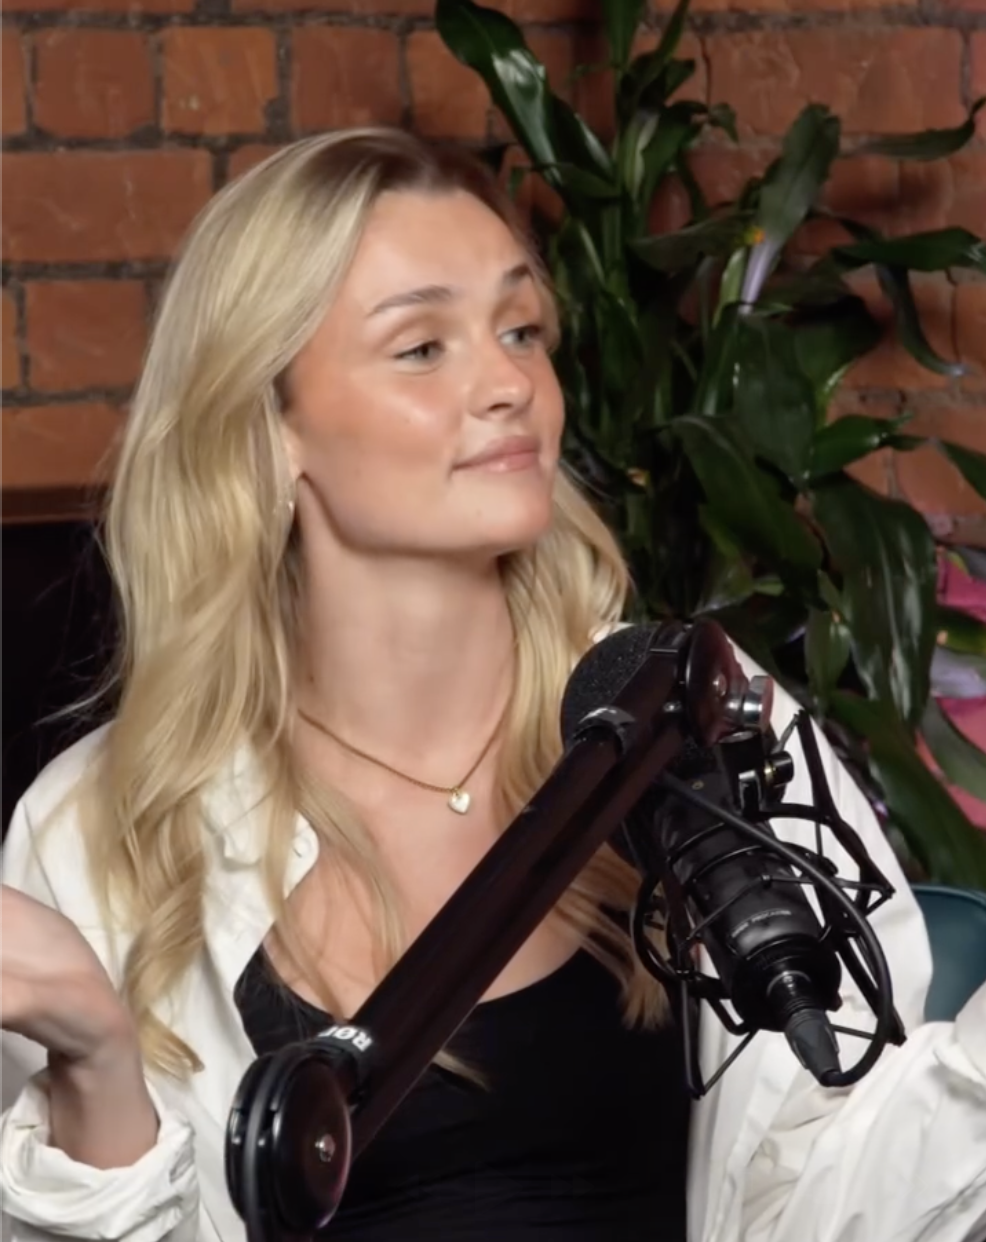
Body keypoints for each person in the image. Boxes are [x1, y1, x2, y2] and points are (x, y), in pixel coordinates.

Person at [0, 127, 983, 1242]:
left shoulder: (697, 716)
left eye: (519, 329)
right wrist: (93, 1060)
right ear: (269, 433)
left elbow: (863, 1181)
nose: (508, 382)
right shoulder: (104, 829)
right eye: (422, 347)